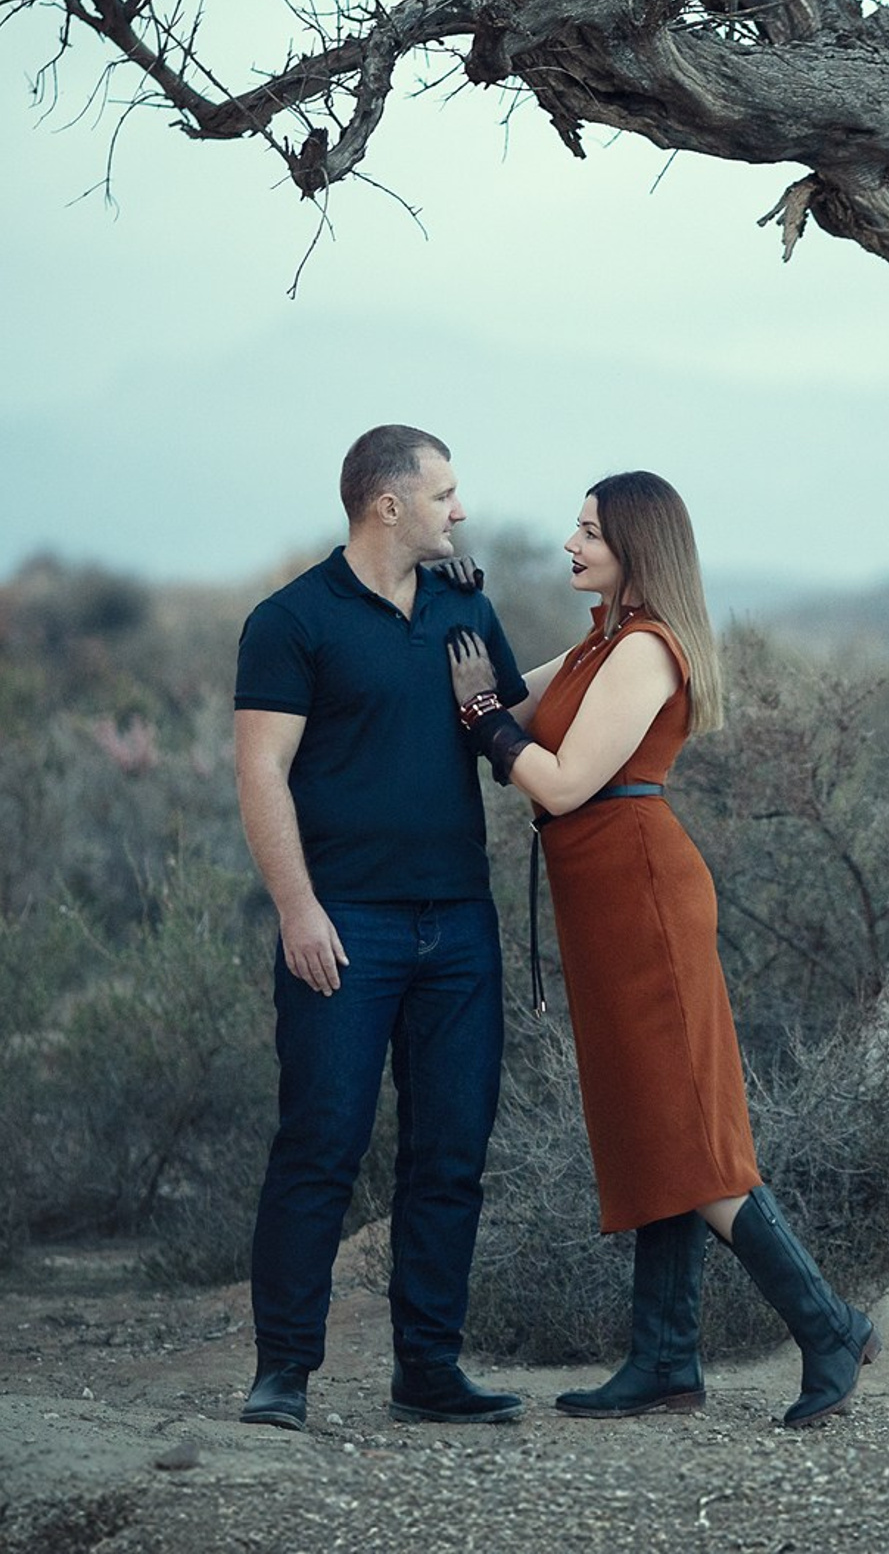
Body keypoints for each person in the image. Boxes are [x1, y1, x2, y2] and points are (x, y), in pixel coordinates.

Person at [445, 469, 879, 1429]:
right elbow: (507, 698)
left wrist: (483, 721)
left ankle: (830, 1327)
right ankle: (666, 1361)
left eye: (590, 530)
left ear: (637, 546)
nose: (571, 542)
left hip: (642, 896)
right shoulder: (600, 641)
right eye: (575, 526)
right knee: (648, 1123)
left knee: (687, 1131)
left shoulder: (644, 650)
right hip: (602, 903)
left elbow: (553, 780)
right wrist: (456, 603)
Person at [231, 423, 529, 1433]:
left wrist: (630, 647)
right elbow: (260, 772)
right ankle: (283, 1373)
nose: (461, 508)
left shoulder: (465, 604)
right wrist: (297, 906)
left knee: (449, 1153)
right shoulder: (292, 619)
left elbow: (513, 728)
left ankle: (429, 1372)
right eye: (444, 493)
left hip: (460, 925)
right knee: (320, 1144)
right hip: (344, 925)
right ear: (386, 505)